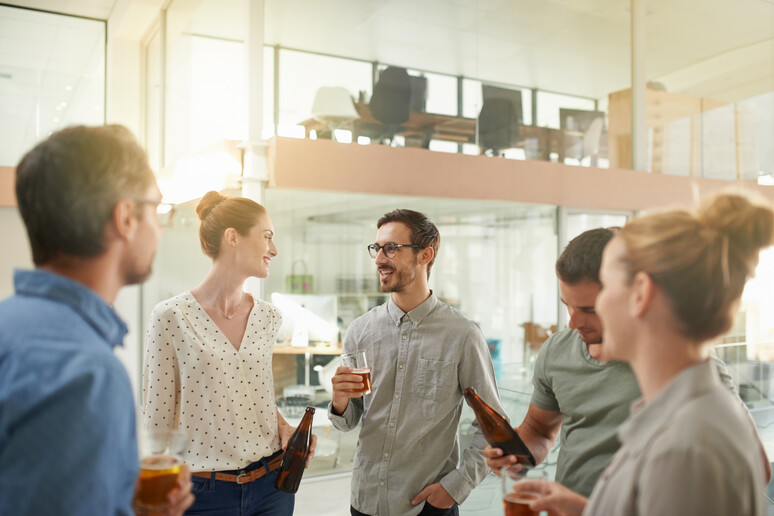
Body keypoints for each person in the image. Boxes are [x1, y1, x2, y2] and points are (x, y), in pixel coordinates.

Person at [527, 192, 772, 515]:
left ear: (640, 294)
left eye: (606, 290)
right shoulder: (682, 415)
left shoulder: (686, 444)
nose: (574, 321)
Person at [0, 125, 193, 515]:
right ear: (125, 217)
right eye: (156, 207)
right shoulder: (86, 373)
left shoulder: (9, 325)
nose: (159, 227)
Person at [484, 227, 754, 497]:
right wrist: (515, 456)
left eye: (590, 310)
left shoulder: (685, 364)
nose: (573, 322)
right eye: (568, 305)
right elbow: (539, 430)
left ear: (636, 295)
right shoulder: (557, 350)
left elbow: (749, 462)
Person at [143, 191, 316, 515]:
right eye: (267, 237)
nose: (274, 250)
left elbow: (251, 393)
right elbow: (156, 422)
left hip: (272, 487)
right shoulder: (170, 317)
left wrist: (283, 426)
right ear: (232, 238)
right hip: (203, 494)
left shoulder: (268, 317)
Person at [329, 209, 506, 516]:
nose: (380, 259)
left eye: (391, 248)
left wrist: (456, 487)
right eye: (377, 248)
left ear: (425, 254)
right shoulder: (360, 330)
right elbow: (347, 421)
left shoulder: (462, 334)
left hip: (427, 506)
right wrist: (340, 400)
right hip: (365, 501)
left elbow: (495, 428)